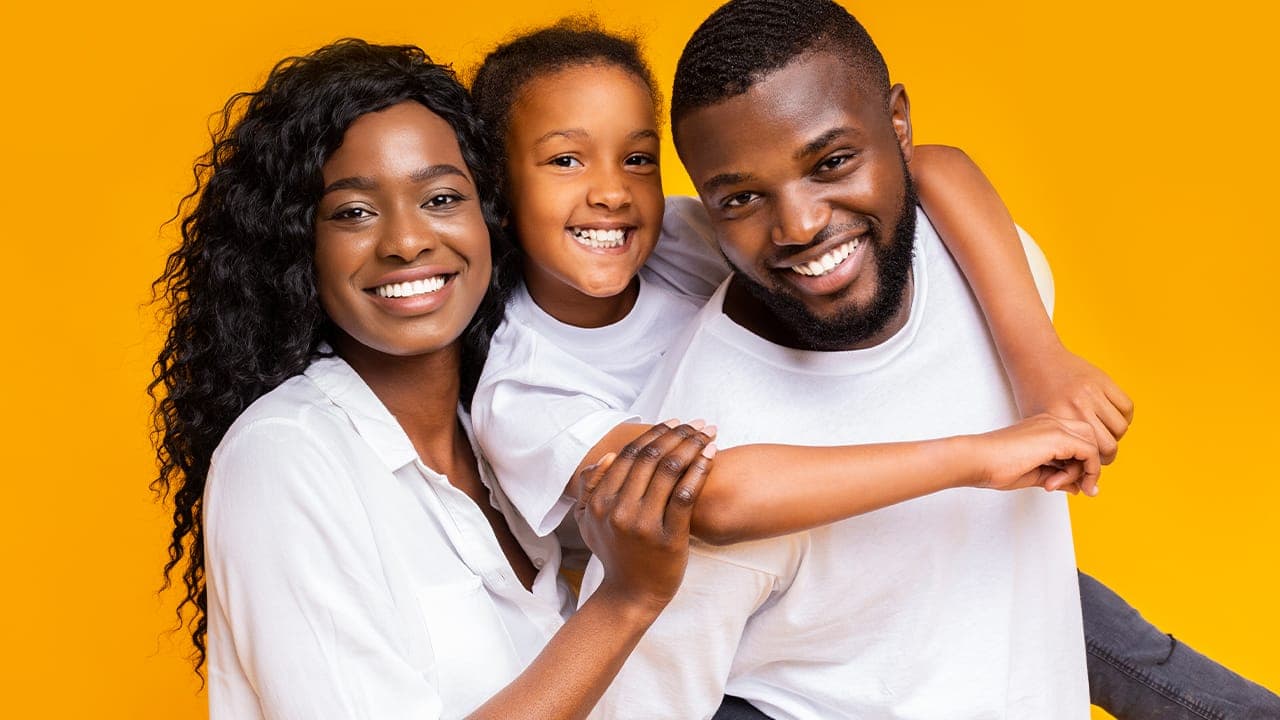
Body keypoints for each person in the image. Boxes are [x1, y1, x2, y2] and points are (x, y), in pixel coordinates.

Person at [569, 1, 1280, 718]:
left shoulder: (995, 276)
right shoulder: (704, 445)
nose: (800, 225)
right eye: (743, 198)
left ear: (899, 124)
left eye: (832, 162)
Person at [151, 39, 724, 720]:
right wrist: (626, 602)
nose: (407, 241)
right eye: (354, 212)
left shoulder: (500, 437)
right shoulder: (285, 456)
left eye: (442, 197)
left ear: (492, 213)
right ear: (296, 241)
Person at [468, 20, 1105, 580]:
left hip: (856, 527)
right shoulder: (525, 391)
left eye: (637, 158)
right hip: (709, 625)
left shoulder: (684, 239)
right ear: (497, 180)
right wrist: (977, 455)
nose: (611, 191)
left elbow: (933, 166)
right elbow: (707, 499)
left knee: (1045, 592)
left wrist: (1040, 363)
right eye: (565, 161)